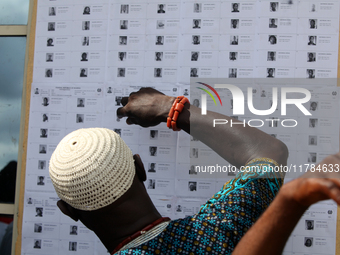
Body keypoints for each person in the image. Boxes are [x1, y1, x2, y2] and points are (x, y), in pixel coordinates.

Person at [50, 88, 340, 255]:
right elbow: (269, 156)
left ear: (69, 212)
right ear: (140, 167)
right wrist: (170, 108)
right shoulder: (212, 231)